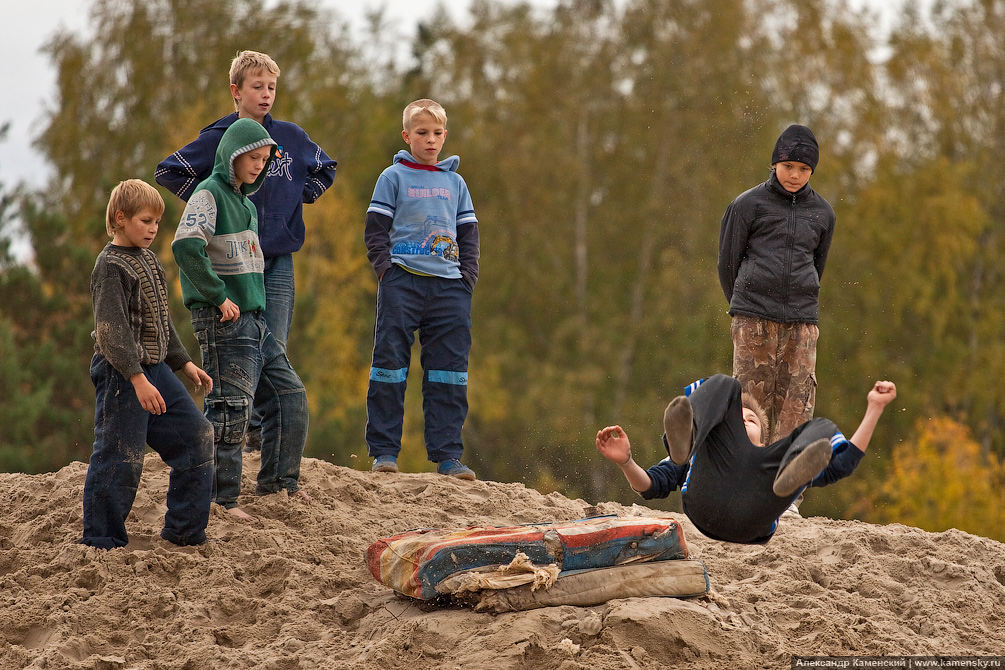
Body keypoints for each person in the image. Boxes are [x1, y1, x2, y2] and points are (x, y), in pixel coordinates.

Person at [155, 50, 336, 453]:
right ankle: (233, 436)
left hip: (277, 258)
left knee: (275, 349)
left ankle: (262, 439)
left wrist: (297, 201)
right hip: (230, 264)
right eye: (258, 87)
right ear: (236, 92)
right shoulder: (219, 137)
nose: (266, 94)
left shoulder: (289, 137)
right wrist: (213, 203)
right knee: (236, 348)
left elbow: (326, 167)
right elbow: (169, 170)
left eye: (272, 87)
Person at [172, 118, 311, 521]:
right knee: (231, 409)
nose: (258, 165)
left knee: (289, 396)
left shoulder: (248, 206)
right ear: (232, 155)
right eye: (252, 157)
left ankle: (278, 487)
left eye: (265, 159)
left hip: (255, 321)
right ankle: (221, 500)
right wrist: (218, 296)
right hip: (223, 320)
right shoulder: (208, 194)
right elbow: (186, 248)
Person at [596, 374, 897, 545]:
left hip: (755, 514)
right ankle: (689, 433)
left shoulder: (770, 456)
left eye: (749, 419)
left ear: (764, 439)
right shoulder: (705, 454)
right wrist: (626, 462)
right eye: (735, 418)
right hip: (704, 502)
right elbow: (652, 486)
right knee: (727, 385)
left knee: (821, 428)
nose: (741, 421)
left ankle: (789, 478)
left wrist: (875, 408)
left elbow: (842, 465)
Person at [83, 179, 215, 549]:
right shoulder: (110, 266)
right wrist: (137, 379)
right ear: (120, 219)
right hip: (122, 375)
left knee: (197, 437)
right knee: (121, 457)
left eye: (157, 222)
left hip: (155, 371)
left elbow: (160, 321)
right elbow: (112, 332)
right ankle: (101, 541)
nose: (153, 229)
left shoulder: (151, 260)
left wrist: (184, 364)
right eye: (145, 220)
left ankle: (184, 534)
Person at [363, 99, 479, 479]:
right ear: (407, 136)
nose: (430, 141)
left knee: (449, 373)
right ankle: (383, 453)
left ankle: (448, 456)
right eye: (422, 133)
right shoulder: (392, 177)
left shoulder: (455, 182)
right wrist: (386, 271)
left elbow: (469, 234)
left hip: (449, 289)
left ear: (445, 136)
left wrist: (467, 281)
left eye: (436, 134)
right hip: (403, 283)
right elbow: (376, 231)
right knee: (390, 367)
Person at [717, 124, 836, 446]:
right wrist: (746, 303)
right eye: (787, 167)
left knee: (796, 410)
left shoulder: (823, 213)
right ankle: (742, 485)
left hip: (801, 324)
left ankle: (788, 494)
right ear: (774, 164)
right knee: (749, 409)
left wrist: (800, 299)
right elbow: (727, 263)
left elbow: (816, 266)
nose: (794, 175)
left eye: (803, 169)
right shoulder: (747, 205)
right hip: (754, 320)